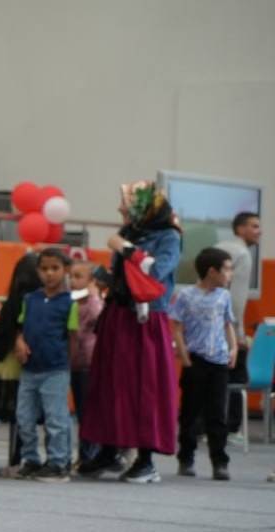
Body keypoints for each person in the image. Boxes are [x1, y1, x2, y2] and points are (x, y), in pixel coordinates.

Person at [78, 181, 182, 484]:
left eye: (127, 204)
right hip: (118, 314)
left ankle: (146, 460)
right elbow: (125, 276)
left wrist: (125, 249)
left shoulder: (169, 237)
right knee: (111, 383)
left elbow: (157, 272)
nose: (121, 208)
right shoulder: (127, 233)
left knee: (144, 387)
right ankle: (110, 450)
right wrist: (103, 276)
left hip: (146, 320)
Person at [170, 247, 237, 481]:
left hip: (218, 361)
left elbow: (228, 323)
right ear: (212, 271)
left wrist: (234, 347)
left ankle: (220, 461)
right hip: (196, 361)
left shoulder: (224, 296)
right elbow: (176, 326)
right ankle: (186, 457)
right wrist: (184, 354)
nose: (230, 274)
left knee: (217, 413)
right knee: (190, 412)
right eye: (227, 270)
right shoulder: (186, 295)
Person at [13, 247, 78, 483]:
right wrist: (19, 341)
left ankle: (59, 463)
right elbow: (20, 328)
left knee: (56, 419)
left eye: (55, 268)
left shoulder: (70, 302)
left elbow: (73, 338)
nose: (49, 273)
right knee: (24, 418)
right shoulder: (31, 299)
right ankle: (30, 460)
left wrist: (65, 366)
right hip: (29, 369)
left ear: (65, 270)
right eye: (44, 269)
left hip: (55, 370)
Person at [0, 253, 41, 477]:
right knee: (21, 414)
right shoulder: (39, 300)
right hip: (26, 366)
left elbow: (2, 333)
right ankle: (16, 458)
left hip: (4, 364)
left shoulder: (14, 300)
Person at [215, 211, 260, 438]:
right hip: (228, 329)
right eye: (254, 226)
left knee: (211, 379)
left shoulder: (218, 247)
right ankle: (232, 429)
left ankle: (207, 427)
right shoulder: (242, 254)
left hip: (209, 327)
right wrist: (239, 335)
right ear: (240, 229)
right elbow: (237, 299)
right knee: (236, 377)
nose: (258, 231)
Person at [69, 260, 104, 465]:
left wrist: (93, 294)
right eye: (71, 276)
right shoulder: (71, 300)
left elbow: (98, 315)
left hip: (89, 363)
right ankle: (85, 452)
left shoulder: (93, 302)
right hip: (75, 362)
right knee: (80, 409)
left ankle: (89, 454)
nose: (73, 281)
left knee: (87, 411)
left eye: (79, 276)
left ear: (91, 281)